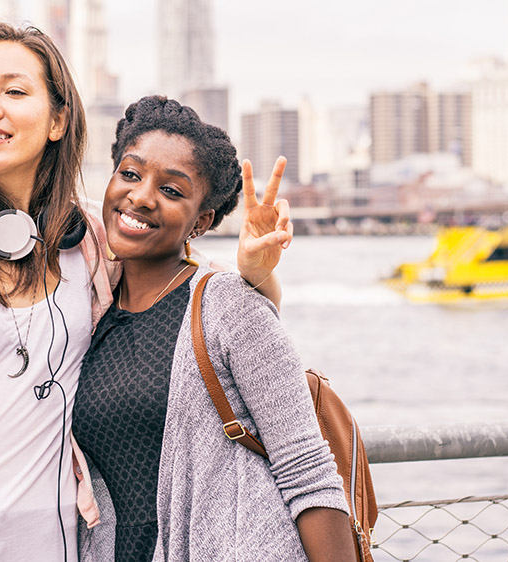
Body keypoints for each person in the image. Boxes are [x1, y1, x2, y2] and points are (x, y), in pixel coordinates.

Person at [0, 23, 287, 562]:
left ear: (58, 119)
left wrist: (259, 271)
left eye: (14, 91)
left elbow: (217, 301)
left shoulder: (91, 238)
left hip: (59, 545)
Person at [71, 96, 356, 562]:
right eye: (130, 174)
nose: (141, 196)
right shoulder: (91, 313)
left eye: (172, 191)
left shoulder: (229, 305)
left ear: (201, 221)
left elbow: (308, 470)